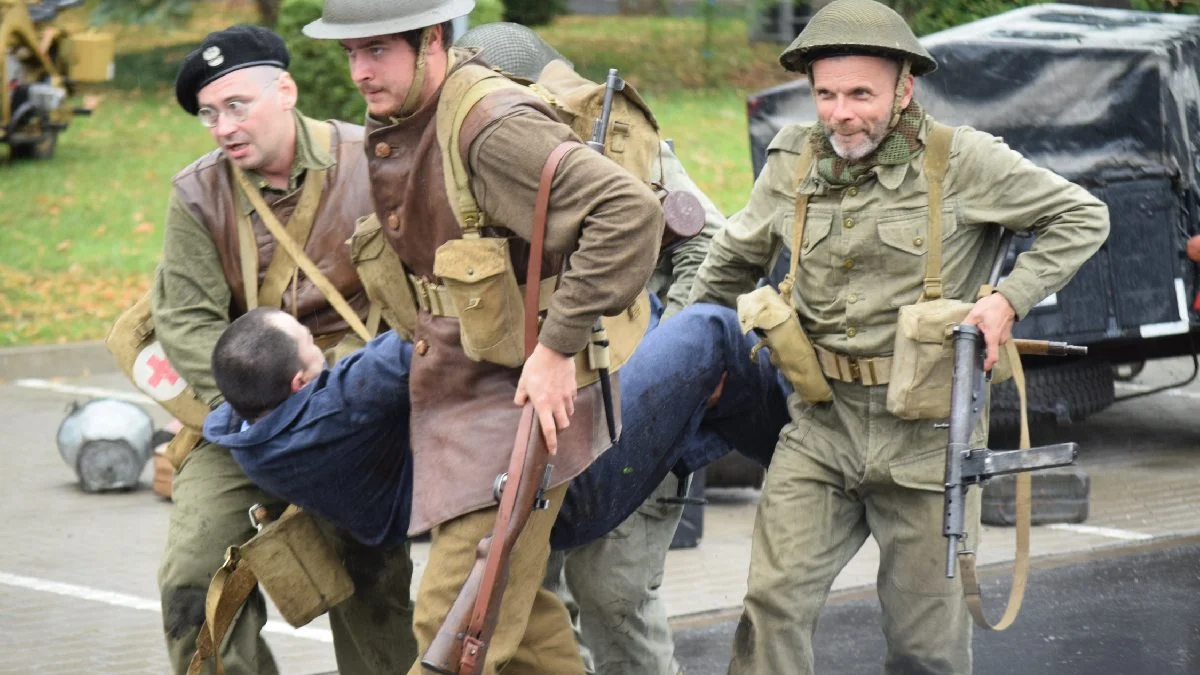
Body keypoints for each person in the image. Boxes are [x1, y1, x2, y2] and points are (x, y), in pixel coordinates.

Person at [688, 1, 1111, 673]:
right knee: (770, 610)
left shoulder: (961, 161)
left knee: (925, 647)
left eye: (861, 93)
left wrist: (1006, 300)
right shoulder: (792, 162)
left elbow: (1082, 216)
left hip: (928, 437)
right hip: (820, 426)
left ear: (904, 87)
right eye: (826, 94)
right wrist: (690, 355)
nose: (840, 113)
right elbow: (728, 262)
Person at [303, 3, 665, 672]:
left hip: (524, 403)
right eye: (351, 52)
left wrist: (557, 348)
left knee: (452, 624)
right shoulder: (410, 112)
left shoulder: (490, 126)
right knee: (521, 632)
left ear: (432, 41)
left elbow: (628, 212)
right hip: (462, 391)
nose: (359, 71)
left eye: (377, 50)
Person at [451, 21, 724, 675]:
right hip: (534, 414)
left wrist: (664, 360)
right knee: (518, 605)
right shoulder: (474, 164)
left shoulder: (629, 146)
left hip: (629, 403)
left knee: (613, 594)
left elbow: (713, 247)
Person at [152, 24, 414, 675]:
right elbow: (185, 322)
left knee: (372, 577)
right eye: (210, 114)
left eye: (237, 105)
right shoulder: (197, 194)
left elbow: (423, 288)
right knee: (192, 576)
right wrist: (255, 410)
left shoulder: (374, 160)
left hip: (357, 408)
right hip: (245, 409)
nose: (222, 126)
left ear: (286, 91)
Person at [202, 304, 785, 553]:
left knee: (675, 360)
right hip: (563, 481)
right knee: (708, 331)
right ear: (301, 385)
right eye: (312, 347)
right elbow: (438, 335)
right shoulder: (342, 402)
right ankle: (802, 448)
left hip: (499, 509)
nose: (323, 346)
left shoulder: (250, 436)